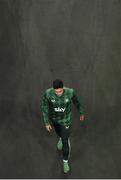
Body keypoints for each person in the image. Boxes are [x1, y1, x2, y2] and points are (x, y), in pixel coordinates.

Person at [41, 79, 85, 173]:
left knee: (65, 141)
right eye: (56, 91)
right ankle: (60, 138)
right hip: (54, 120)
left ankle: (65, 162)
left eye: (60, 91)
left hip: (66, 121)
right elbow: (44, 107)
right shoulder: (48, 93)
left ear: (63, 88)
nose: (58, 93)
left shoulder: (70, 92)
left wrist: (81, 112)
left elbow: (76, 102)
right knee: (59, 134)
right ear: (53, 89)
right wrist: (47, 122)